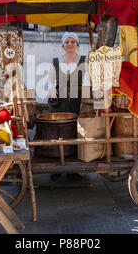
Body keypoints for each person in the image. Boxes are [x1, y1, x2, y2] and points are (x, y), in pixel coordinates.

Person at [47, 32, 90, 181]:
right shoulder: (55, 61)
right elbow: (50, 79)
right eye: (67, 42)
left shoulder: (84, 61)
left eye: (72, 42)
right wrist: (52, 87)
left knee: (75, 133)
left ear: (77, 44)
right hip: (59, 104)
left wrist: (86, 98)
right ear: (63, 45)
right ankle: (57, 168)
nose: (70, 44)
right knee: (57, 134)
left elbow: (87, 80)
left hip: (77, 103)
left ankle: (73, 170)